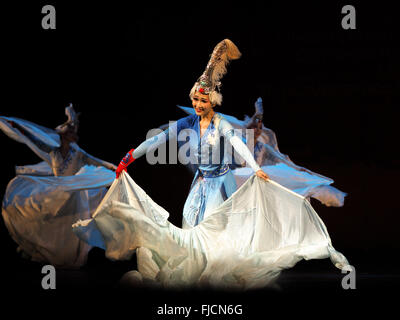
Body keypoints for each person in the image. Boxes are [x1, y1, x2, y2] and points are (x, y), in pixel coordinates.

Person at [73, 40, 350, 289]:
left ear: (212, 101)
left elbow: (239, 144)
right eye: (195, 99)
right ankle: (197, 275)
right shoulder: (188, 123)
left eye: (203, 100)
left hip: (220, 184)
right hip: (200, 185)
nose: (197, 104)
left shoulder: (221, 124)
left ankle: (214, 277)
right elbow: (157, 140)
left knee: (213, 233)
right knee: (190, 225)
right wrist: (128, 157)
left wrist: (255, 168)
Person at [0, 104, 116, 267]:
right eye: (71, 132)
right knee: (49, 210)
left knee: (85, 197)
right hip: (57, 187)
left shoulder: (77, 152)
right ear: (64, 136)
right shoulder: (52, 151)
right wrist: (19, 128)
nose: (75, 134)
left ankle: (73, 251)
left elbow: (95, 161)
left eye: (74, 131)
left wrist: (113, 167)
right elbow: (33, 140)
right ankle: (55, 251)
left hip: (72, 186)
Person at [177, 97, 347, 207]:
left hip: (254, 183)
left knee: (280, 174)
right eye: (254, 127)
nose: (257, 130)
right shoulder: (237, 141)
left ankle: (315, 189)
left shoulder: (263, 148)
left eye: (259, 128)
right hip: (232, 182)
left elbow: (283, 162)